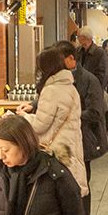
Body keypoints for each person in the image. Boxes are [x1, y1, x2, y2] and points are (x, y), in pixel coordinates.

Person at [54, 40, 108, 215]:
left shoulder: (88, 80)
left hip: (85, 140)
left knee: (81, 183)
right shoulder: (58, 81)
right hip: (65, 142)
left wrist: (68, 117)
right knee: (67, 183)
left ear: (71, 59)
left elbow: (95, 112)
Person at [21, 47, 87, 197]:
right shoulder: (70, 87)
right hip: (71, 144)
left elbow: (39, 125)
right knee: (72, 187)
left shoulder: (51, 90)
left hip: (57, 150)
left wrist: (25, 117)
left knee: (58, 192)